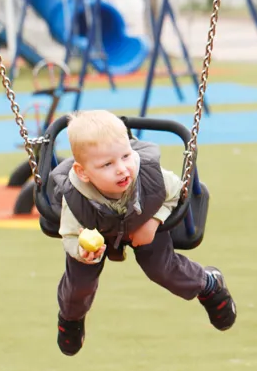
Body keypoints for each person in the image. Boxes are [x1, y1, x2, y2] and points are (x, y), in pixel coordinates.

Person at [50, 110, 237, 355]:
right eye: (107, 164)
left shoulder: (148, 174)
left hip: (144, 216)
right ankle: (71, 318)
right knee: (79, 284)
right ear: (83, 172)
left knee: (163, 268)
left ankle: (209, 284)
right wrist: (83, 251)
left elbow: (176, 193)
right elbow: (70, 235)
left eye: (126, 155)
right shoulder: (75, 195)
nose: (121, 169)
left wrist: (154, 221)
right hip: (93, 227)